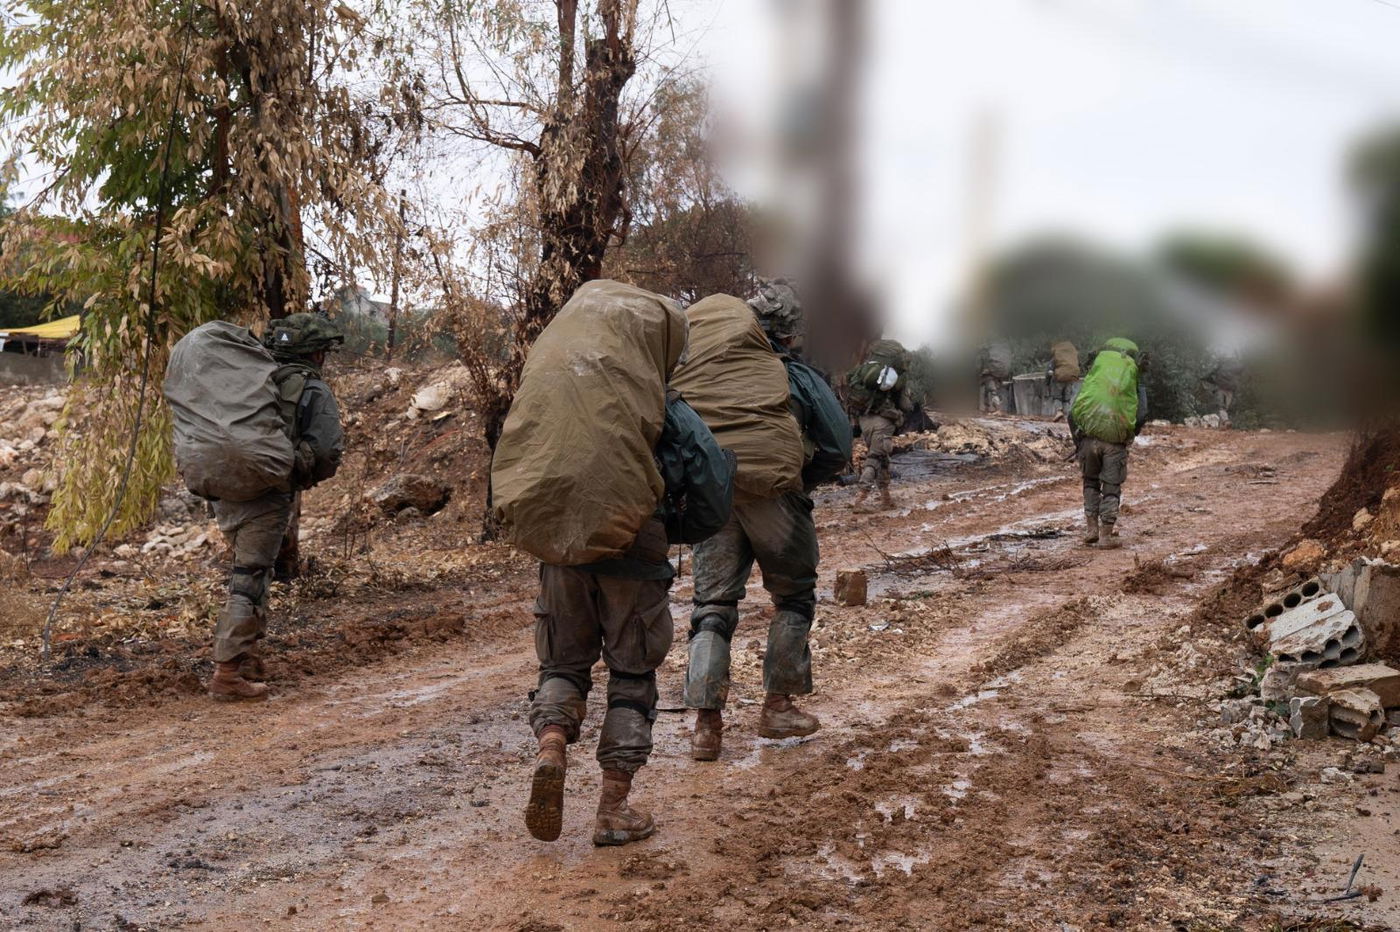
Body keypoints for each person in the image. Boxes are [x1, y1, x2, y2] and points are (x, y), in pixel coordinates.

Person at [502, 283, 735, 848]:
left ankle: (552, 745)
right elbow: (710, 486)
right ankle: (612, 808)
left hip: (559, 546)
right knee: (632, 676)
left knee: (562, 664)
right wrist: (671, 530)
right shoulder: (657, 399)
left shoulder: (545, 388)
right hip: (633, 551)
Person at [684, 281, 850, 762]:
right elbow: (838, 446)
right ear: (791, 334)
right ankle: (778, 706)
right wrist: (798, 478)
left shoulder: (701, 374)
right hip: (778, 499)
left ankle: (706, 726)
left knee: (712, 608)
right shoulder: (794, 375)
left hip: (715, 501)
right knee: (794, 596)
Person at [208, 313, 345, 701]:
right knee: (248, 579)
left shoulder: (250, 377)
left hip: (225, 489)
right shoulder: (311, 388)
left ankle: (246, 660)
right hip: (267, 493)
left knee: (253, 571)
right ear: (315, 354)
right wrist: (293, 468)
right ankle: (227, 674)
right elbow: (326, 450)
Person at [1068, 338, 1148, 550]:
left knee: (1090, 482)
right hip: (1114, 442)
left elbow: (1072, 411)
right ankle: (1106, 536)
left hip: (1087, 438)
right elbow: (1142, 414)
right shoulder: (1133, 377)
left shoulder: (1096, 374)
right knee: (1111, 488)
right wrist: (1129, 435)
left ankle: (1091, 529)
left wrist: (1078, 442)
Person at [847, 340, 914, 511]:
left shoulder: (864, 372)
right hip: (883, 422)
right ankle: (860, 499)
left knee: (883, 459)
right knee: (875, 458)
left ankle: (886, 499)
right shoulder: (895, 378)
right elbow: (905, 406)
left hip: (864, 421)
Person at [1045, 339, 1081, 421]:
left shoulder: (1056, 357)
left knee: (1057, 397)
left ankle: (1059, 411)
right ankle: (1067, 417)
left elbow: (1049, 371)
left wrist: (1047, 382)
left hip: (1059, 379)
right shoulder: (1071, 358)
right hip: (1071, 378)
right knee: (1066, 398)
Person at [1202, 358, 1242, 428]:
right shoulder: (1233, 369)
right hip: (1230, 390)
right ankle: (1223, 424)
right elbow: (1241, 369)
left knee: (1221, 407)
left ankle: (1224, 422)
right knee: (1225, 408)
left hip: (1221, 389)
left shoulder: (1217, 369)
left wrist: (1213, 382)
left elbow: (1207, 376)